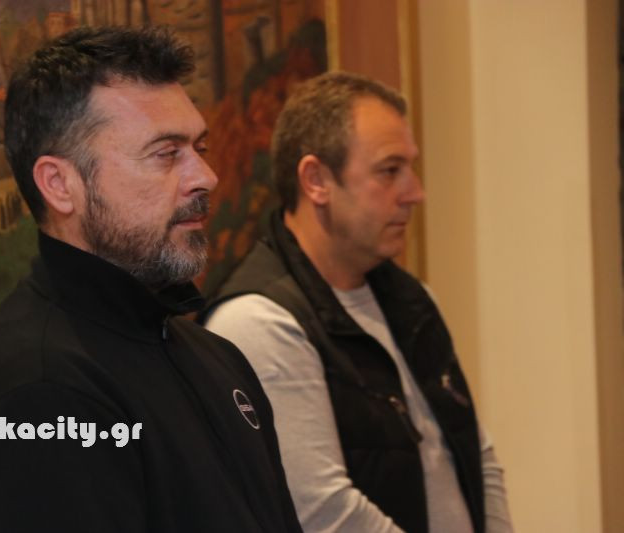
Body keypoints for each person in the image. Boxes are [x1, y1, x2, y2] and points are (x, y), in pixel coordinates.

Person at [0, 26, 302, 533]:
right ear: (60, 185)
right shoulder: (37, 392)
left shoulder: (214, 357)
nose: (206, 176)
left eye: (199, 147)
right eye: (166, 153)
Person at [202, 72, 514, 533]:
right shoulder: (258, 322)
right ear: (316, 181)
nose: (415, 193)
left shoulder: (412, 299)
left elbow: (475, 454)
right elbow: (322, 511)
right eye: (389, 171)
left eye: (410, 168)